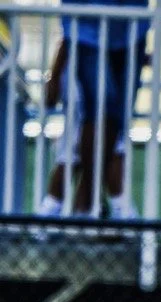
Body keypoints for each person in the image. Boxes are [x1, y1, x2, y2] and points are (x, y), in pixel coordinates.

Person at [58, 0, 149, 216]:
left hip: (131, 30)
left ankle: (89, 201)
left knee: (116, 118)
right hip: (86, 30)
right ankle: (91, 201)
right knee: (101, 108)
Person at [38, 40, 135, 219]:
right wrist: (56, 76)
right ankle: (121, 211)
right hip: (85, 77)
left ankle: (60, 211)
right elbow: (71, 37)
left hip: (102, 72)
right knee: (93, 142)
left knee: (97, 143)